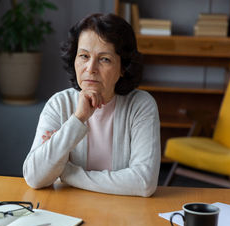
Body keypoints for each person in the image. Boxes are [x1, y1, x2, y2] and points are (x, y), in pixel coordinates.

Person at [23, 13, 161, 197]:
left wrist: (68, 173)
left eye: (104, 59)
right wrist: (78, 119)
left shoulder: (141, 105)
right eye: (84, 56)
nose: (90, 68)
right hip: (68, 213)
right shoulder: (59, 104)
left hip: (123, 217)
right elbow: (34, 177)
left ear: (123, 67)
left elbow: (144, 183)